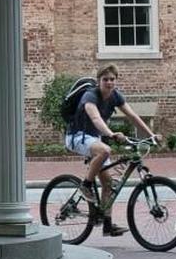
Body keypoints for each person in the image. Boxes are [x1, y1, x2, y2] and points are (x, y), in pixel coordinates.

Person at [65, 64, 162, 236]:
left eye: (112, 79)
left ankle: (107, 224)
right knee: (105, 151)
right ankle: (86, 186)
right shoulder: (90, 96)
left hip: (95, 139)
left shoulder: (115, 96)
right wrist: (111, 134)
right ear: (99, 81)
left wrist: (151, 135)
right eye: (105, 79)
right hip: (77, 136)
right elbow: (95, 118)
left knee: (108, 184)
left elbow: (133, 116)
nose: (109, 83)